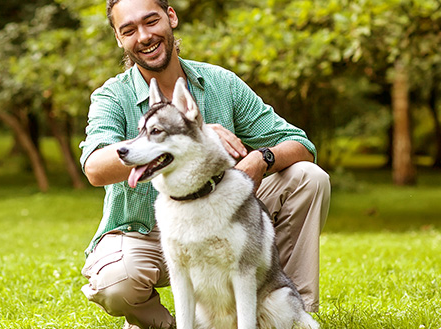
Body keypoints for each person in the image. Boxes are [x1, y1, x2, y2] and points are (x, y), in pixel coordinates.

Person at [78, 0, 331, 328]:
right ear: (118, 38)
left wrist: (261, 159)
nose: (143, 36)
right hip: (144, 230)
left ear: (171, 17)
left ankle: (290, 311)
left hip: (222, 215)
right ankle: (165, 324)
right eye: (128, 30)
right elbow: (95, 168)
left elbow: (301, 144)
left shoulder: (221, 83)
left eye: (151, 21)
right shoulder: (113, 96)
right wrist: (192, 134)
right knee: (116, 284)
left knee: (307, 177)